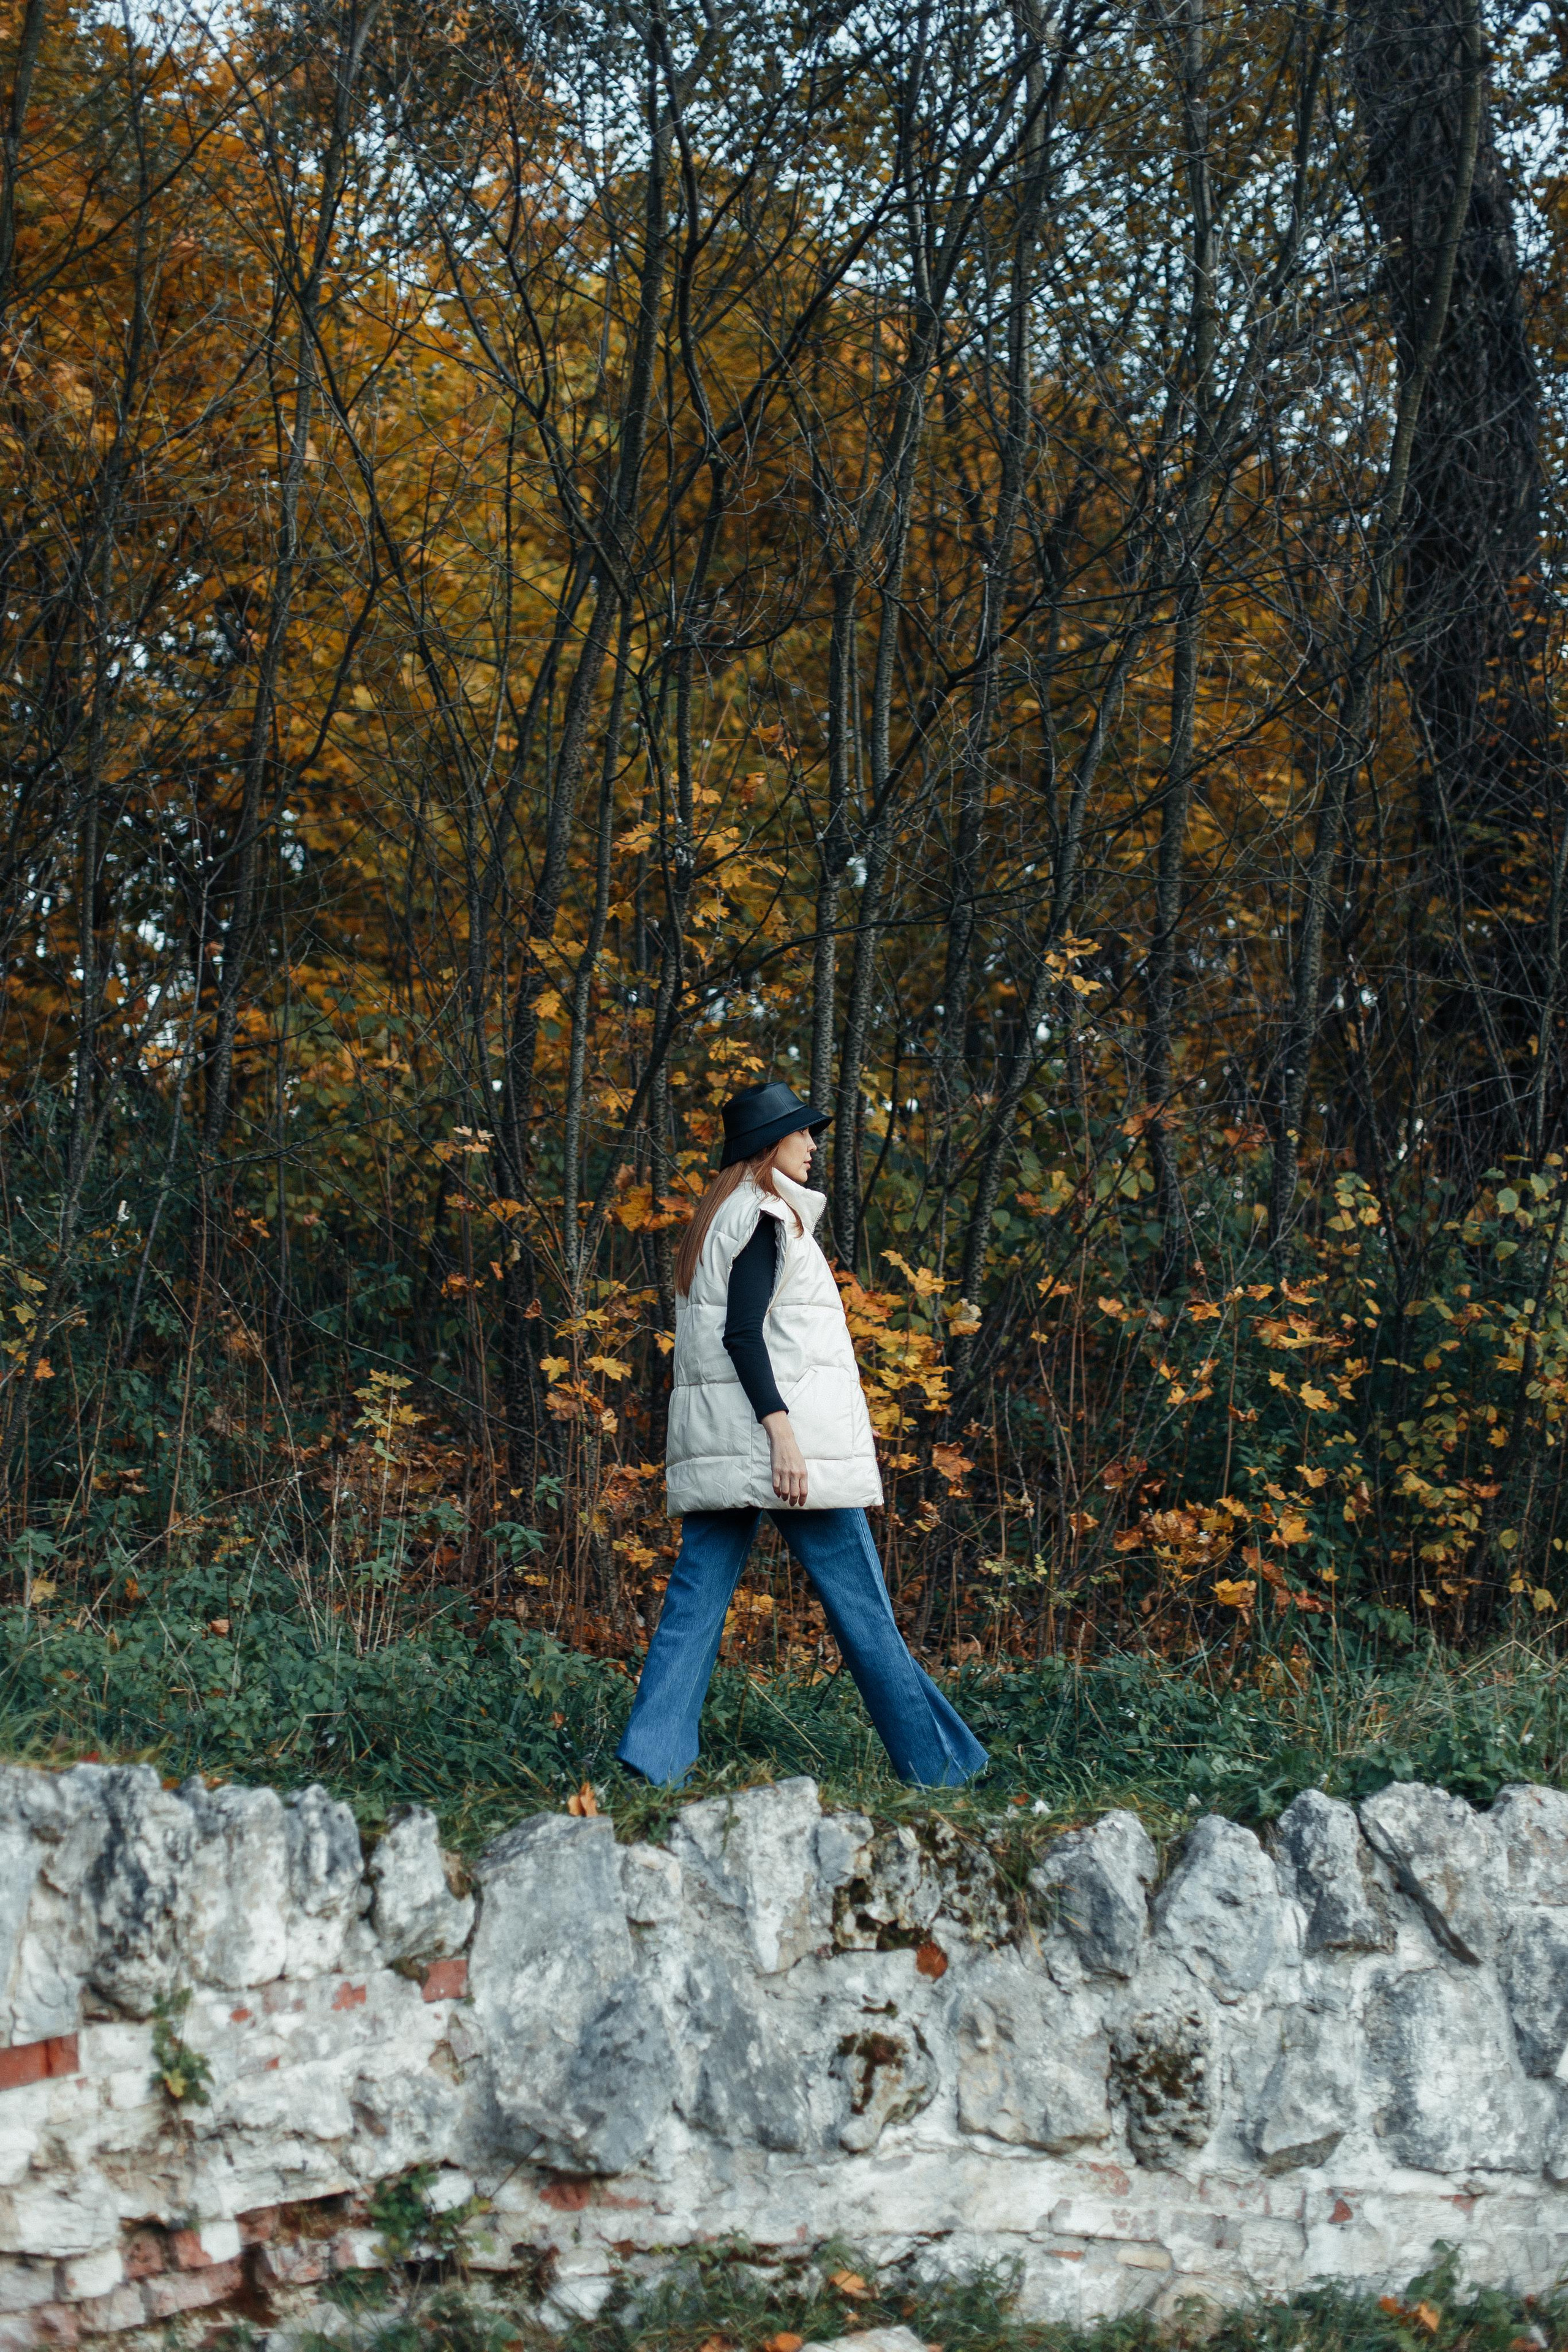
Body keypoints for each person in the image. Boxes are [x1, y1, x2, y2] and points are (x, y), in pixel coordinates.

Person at [617, 1077, 988, 1788]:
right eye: (801, 1132)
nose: (813, 1145)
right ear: (769, 1143)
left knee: (694, 1604)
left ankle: (651, 1765)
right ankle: (939, 1770)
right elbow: (741, 1336)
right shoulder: (764, 1216)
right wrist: (782, 1435)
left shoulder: (718, 1218)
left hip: (725, 1446)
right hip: (785, 1449)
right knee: (863, 1609)